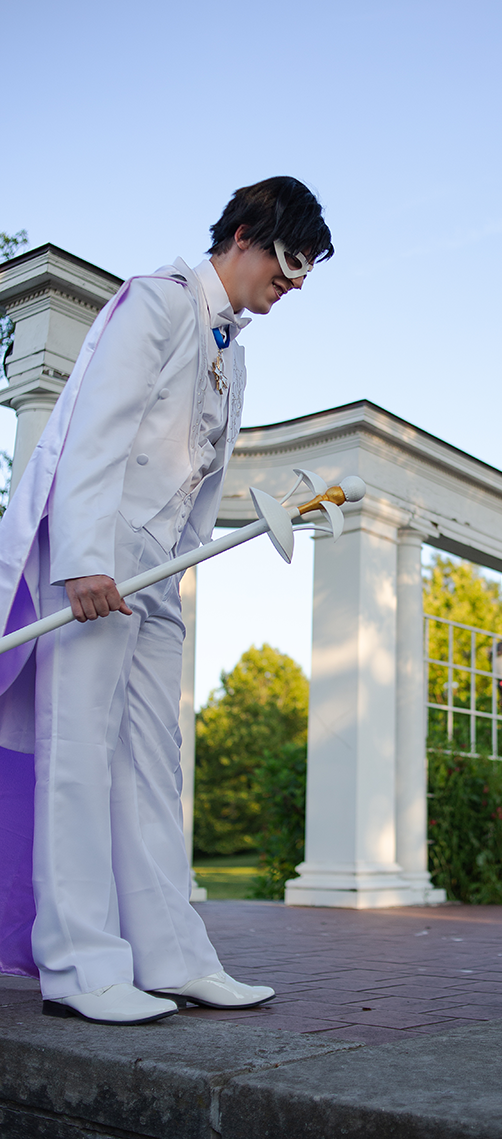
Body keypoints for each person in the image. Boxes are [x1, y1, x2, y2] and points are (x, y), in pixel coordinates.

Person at [0, 176, 333, 1024]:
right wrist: (83, 560)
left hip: (160, 570)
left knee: (155, 761)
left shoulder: (235, 350)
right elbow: (96, 430)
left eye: (307, 269)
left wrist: (178, 574)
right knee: (78, 749)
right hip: (101, 551)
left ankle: (173, 958)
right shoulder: (156, 300)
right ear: (246, 233)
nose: (295, 281)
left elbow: (201, 480)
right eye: (292, 258)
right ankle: (80, 966)